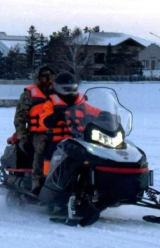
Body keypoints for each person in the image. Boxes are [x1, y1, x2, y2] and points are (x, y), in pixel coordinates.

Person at [39, 72, 102, 175]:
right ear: (58, 88)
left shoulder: (80, 102)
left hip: (80, 139)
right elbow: (43, 120)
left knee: (96, 153)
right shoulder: (51, 102)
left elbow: (93, 110)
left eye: (72, 88)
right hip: (59, 140)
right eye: (66, 88)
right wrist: (54, 117)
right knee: (51, 152)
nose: (69, 91)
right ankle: (47, 177)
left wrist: (105, 114)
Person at [13, 65, 55, 194]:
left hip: (57, 131)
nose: (47, 80)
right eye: (44, 77)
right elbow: (20, 117)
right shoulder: (29, 94)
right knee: (41, 149)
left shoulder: (58, 93)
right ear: (38, 78)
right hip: (37, 133)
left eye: (50, 77)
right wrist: (22, 136)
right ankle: (37, 182)